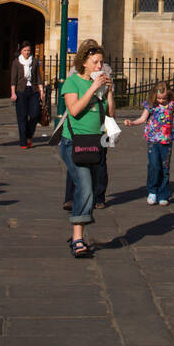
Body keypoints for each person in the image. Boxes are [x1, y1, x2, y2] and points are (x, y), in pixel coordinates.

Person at [60, 39, 117, 257]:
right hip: (73, 143)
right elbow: (74, 110)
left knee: (91, 189)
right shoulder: (72, 83)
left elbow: (111, 114)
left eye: (101, 63)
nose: (99, 67)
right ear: (84, 62)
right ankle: (77, 238)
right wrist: (93, 88)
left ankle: (78, 230)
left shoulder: (101, 82)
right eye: (95, 62)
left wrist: (109, 92)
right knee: (83, 186)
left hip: (96, 142)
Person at [125, 82, 174, 206]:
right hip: (153, 139)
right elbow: (143, 119)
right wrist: (132, 123)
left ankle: (163, 193)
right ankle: (152, 190)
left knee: (165, 167)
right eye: (159, 98)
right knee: (154, 165)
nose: (161, 101)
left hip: (166, 140)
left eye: (164, 98)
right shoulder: (151, 106)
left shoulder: (172, 105)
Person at [10, 41, 45, 149]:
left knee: (34, 114)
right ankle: (23, 142)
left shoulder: (34, 61)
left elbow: (38, 77)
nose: (27, 52)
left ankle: (29, 135)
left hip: (33, 90)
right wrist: (13, 93)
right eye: (25, 50)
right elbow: (13, 79)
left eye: (28, 50)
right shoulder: (16, 62)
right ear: (21, 51)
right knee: (22, 116)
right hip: (21, 91)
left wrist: (41, 91)